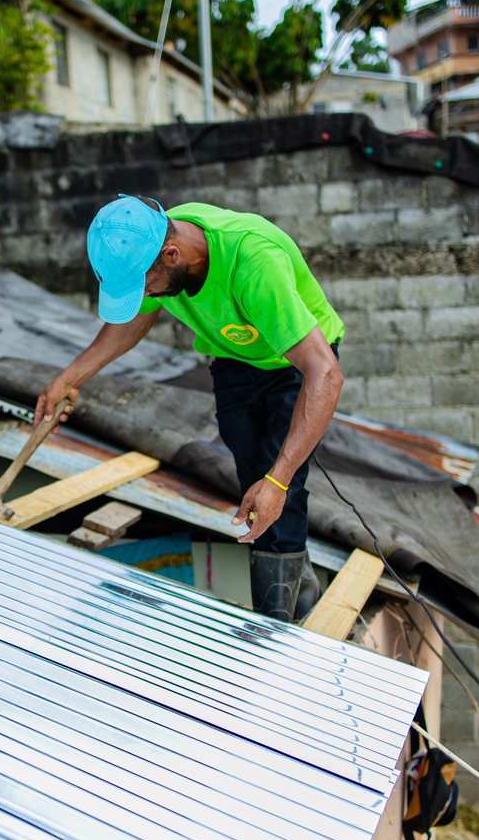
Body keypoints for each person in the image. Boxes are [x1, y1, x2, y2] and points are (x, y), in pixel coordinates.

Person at [35, 194, 345, 622]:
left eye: (145, 286)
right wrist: (69, 378)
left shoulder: (254, 261)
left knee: (278, 480)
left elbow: (325, 375)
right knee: (252, 474)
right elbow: (137, 319)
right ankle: (299, 579)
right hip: (234, 354)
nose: (146, 295)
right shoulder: (152, 241)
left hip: (295, 359)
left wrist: (279, 478)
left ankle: (278, 621)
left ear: (172, 255)